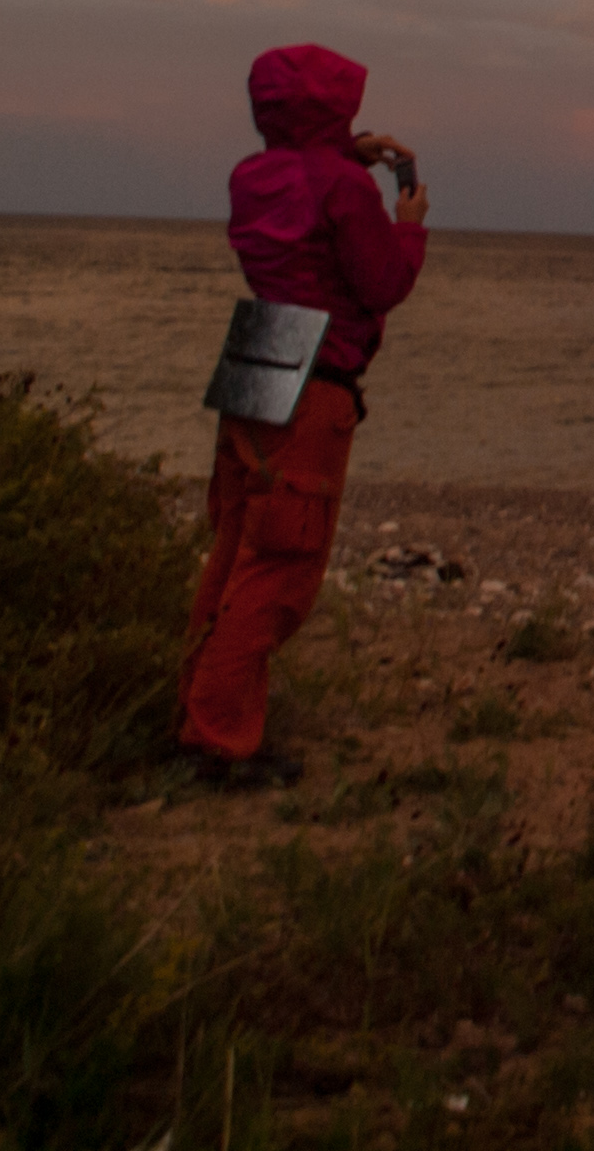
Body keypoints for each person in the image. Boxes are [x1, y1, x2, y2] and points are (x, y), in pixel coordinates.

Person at [180, 42, 430, 785]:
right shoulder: (345, 189)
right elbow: (382, 283)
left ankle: (197, 716)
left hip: (258, 349)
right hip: (317, 371)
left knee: (234, 547)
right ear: (334, 106)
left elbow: (302, 188)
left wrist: (345, 152)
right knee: (282, 563)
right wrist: (409, 223)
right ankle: (217, 739)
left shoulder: (250, 176)